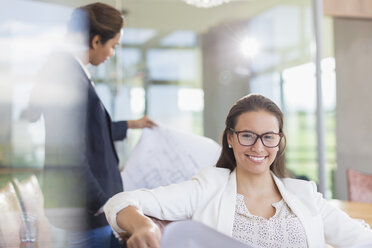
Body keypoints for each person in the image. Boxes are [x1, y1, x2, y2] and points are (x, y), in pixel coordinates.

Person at [103, 94, 372, 248]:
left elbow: (361, 239)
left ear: (279, 141)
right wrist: (143, 226)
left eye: (268, 136)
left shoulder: (305, 195)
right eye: (247, 135)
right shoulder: (207, 187)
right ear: (229, 138)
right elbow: (120, 202)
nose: (258, 147)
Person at [26, 2, 156, 248]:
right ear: (96, 41)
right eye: (113, 46)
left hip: (88, 212)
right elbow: (69, 154)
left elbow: (91, 133)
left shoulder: (73, 72)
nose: (112, 54)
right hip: (85, 214)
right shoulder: (66, 75)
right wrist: (105, 205)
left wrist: (131, 124)